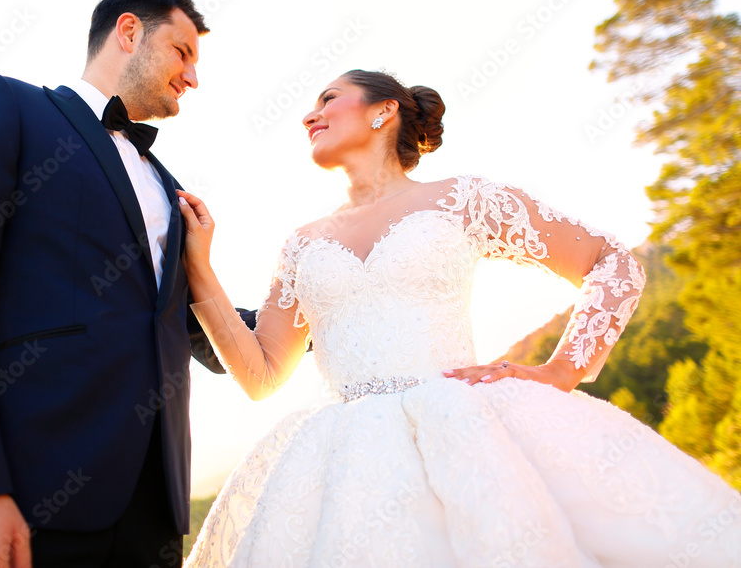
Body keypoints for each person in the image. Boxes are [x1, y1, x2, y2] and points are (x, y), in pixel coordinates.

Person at [176, 69, 741, 567]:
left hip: (466, 426)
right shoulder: (301, 244)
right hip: (345, 459)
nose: (309, 115)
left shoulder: (462, 199)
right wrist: (200, 267)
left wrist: (562, 371)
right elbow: (260, 374)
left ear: (383, 110)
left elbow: (611, 263)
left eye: (328, 98)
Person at [0, 0, 241, 568]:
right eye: (183, 52)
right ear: (129, 32)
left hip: (150, 515)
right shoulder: (6, 106)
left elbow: (180, 324)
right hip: (19, 492)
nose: (194, 78)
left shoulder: (166, 182)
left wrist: (330, 303)